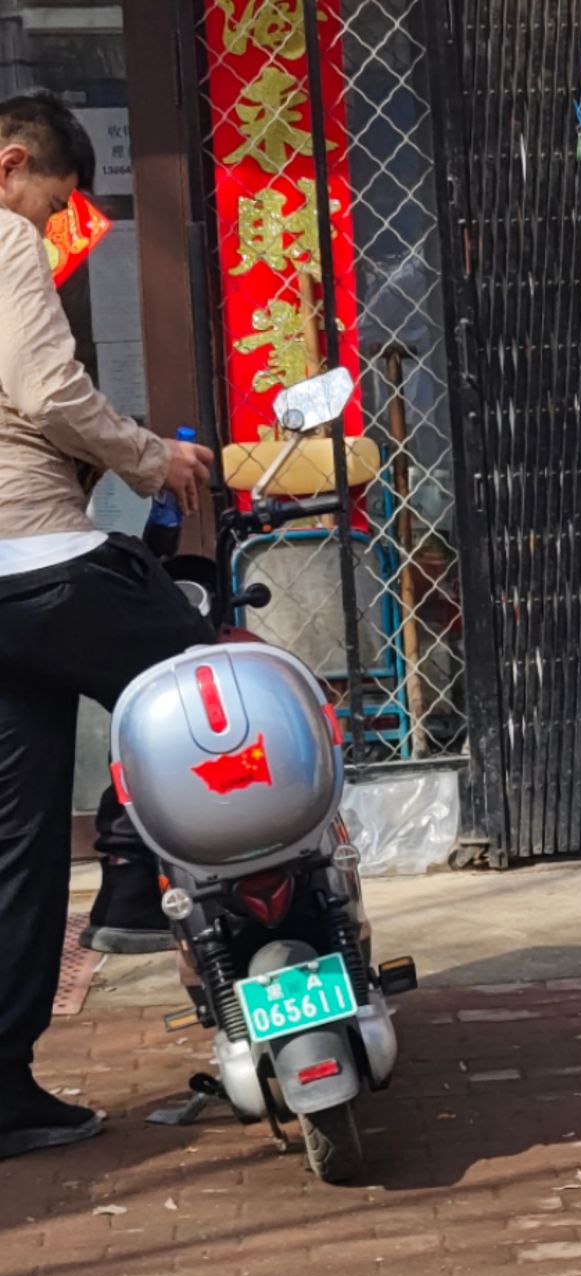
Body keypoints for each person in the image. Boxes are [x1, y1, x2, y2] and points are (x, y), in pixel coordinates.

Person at [0, 91, 215, 1161]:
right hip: (39, 557)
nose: (52, 228)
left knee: (20, 840)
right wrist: (148, 456)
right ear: (11, 165)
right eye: (53, 205)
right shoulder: (4, 238)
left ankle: (6, 1089)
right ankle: (134, 881)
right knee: (209, 682)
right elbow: (47, 391)